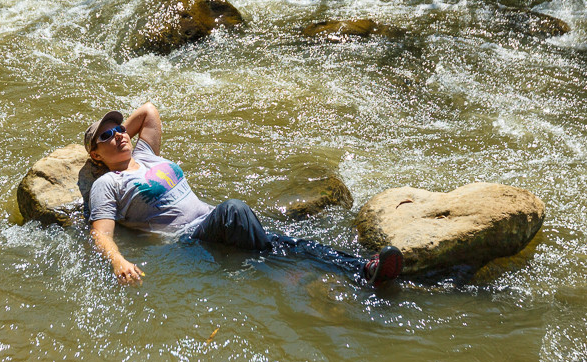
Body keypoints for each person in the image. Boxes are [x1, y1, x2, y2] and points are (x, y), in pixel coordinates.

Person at [83, 102, 404, 287]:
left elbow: (149, 111)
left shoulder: (147, 155)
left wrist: (119, 135)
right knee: (240, 213)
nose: (119, 135)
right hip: (190, 238)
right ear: (95, 155)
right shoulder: (108, 184)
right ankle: (351, 271)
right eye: (106, 136)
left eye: (120, 129)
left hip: (215, 222)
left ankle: (359, 269)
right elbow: (100, 233)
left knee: (280, 241)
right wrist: (118, 261)